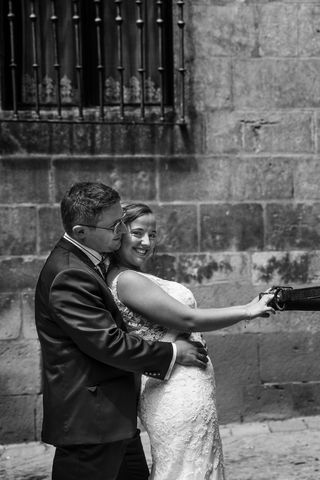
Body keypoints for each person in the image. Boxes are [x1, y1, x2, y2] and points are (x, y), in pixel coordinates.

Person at [34, 182, 209, 480]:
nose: (122, 231)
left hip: (113, 416)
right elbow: (109, 344)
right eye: (115, 225)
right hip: (90, 422)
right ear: (81, 232)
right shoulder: (69, 273)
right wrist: (174, 351)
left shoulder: (89, 260)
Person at [106, 202, 275, 480]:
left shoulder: (132, 276)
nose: (147, 242)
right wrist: (248, 310)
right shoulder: (126, 280)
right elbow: (187, 320)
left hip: (186, 391)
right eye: (137, 233)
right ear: (118, 233)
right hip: (174, 394)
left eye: (153, 234)